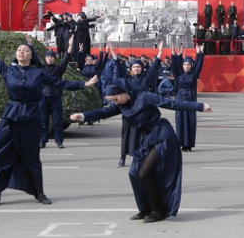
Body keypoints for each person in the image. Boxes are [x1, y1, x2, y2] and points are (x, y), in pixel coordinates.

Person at [71, 78, 211, 223]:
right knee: (134, 172)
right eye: (112, 100)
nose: (115, 102)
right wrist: (82, 116)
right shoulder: (121, 105)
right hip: (147, 139)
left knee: (144, 172)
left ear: (124, 92)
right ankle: (146, 208)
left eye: (116, 98)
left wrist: (200, 106)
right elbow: (102, 112)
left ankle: (159, 210)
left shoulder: (145, 97)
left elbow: (173, 103)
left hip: (162, 136)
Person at [0, 30, 97, 207]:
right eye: (19, 50)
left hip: (30, 116)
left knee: (31, 157)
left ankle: (39, 193)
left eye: (25, 50)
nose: (21, 51)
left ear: (32, 55)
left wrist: (85, 84)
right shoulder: (8, 71)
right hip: (11, 116)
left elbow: (61, 83)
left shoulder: (38, 73)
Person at [116, 42, 164, 168]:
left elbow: (154, 68)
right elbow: (120, 69)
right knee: (126, 134)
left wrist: (159, 53)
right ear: (131, 69)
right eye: (134, 67)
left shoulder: (145, 79)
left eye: (138, 67)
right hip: (129, 111)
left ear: (141, 68)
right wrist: (113, 55)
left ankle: (140, 158)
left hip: (142, 112)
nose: (136, 69)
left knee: (141, 136)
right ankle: (122, 157)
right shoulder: (127, 80)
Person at [39, 37, 75, 149]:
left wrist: (70, 45)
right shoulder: (41, 68)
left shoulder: (59, 69)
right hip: (43, 97)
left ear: (54, 59)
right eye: (48, 57)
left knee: (57, 121)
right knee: (43, 121)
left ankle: (59, 141)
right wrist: (30, 44)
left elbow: (66, 58)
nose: (49, 59)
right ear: (45, 59)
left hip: (56, 96)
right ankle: (42, 141)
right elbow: (33, 59)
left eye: (51, 57)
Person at [171, 44, 205, 152]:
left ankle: (188, 144)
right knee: (180, 120)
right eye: (185, 64)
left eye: (188, 65)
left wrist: (199, 54)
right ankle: (180, 143)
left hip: (190, 99)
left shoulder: (194, 75)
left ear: (191, 65)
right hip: (180, 98)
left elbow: (199, 65)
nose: (186, 66)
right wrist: (175, 54)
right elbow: (174, 65)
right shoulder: (178, 75)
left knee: (190, 121)